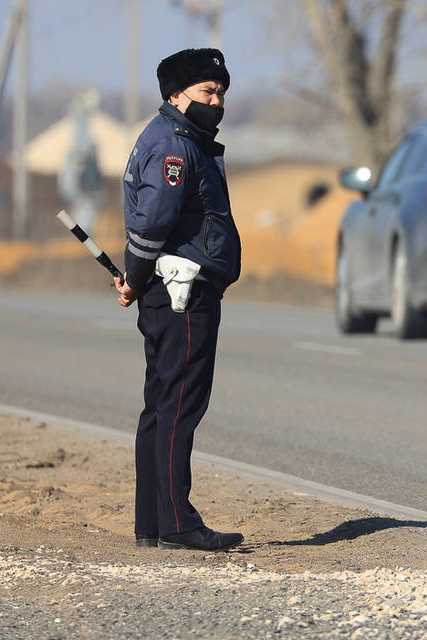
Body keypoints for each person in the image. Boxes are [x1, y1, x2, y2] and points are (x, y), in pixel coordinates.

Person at [115, 48, 243, 552]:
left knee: (161, 405)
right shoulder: (174, 145)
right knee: (178, 407)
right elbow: (151, 223)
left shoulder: (179, 137)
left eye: (221, 93)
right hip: (182, 293)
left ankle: (153, 522)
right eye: (208, 92)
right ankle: (177, 524)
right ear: (176, 94)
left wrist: (135, 278)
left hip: (166, 290)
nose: (218, 101)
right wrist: (138, 273)